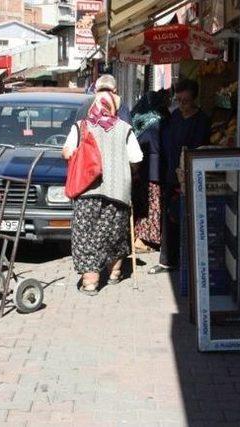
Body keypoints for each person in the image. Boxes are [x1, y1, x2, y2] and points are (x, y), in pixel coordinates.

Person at [62, 74, 143, 295]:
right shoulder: (124, 128)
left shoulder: (81, 127)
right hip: (118, 191)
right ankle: (115, 273)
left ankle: (90, 283)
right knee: (114, 234)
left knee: (86, 235)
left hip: (87, 189)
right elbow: (137, 159)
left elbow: (67, 152)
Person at [149, 79, 211, 275]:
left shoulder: (202, 120)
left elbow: (199, 147)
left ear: (194, 99)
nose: (182, 104)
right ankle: (168, 261)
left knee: (192, 219)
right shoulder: (175, 116)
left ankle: (191, 261)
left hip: (192, 176)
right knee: (170, 218)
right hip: (171, 176)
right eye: (179, 100)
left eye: (186, 101)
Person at [130, 90, 170, 253]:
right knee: (154, 204)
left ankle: (141, 237)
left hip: (141, 169)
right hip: (157, 169)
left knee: (144, 204)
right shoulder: (162, 120)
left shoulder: (137, 120)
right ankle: (149, 239)